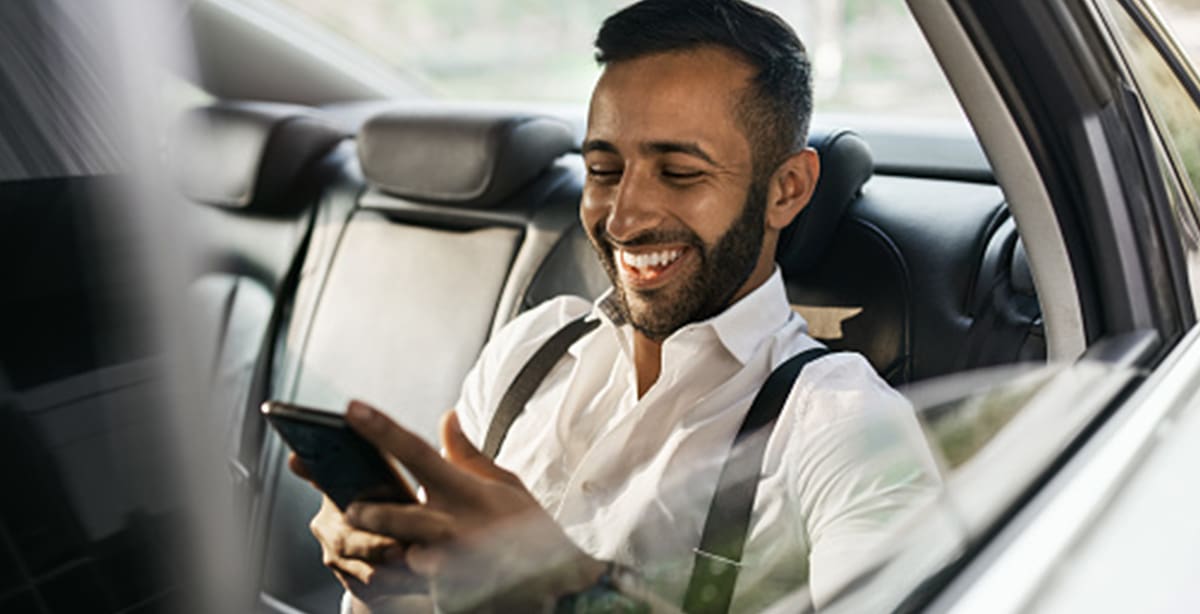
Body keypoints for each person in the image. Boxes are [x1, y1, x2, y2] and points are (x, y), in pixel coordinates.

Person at [294, 1, 940, 611]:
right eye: (603, 170)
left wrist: (569, 590)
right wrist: (392, 579)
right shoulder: (532, 350)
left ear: (787, 190)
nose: (623, 218)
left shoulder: (842, 427)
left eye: (680, 173)